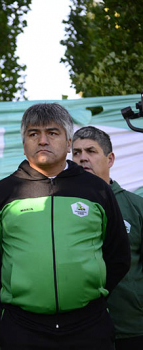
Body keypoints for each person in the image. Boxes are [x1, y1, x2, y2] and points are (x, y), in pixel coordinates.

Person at [0, 103, 130, 350]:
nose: (43, 140)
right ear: (24, 142)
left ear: (68, 143)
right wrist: (16, 300)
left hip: (89, 326)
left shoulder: (97, 189)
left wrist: (89, 294)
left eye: (52, 132)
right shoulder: (2, 193)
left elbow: (118, 254)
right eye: (33, 133)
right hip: (22, 328)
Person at [72, 126, 143, 350]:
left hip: (131, 326)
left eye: (91, 151)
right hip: (77, 328)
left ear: (110, 159)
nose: (82, 158)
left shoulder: (136, 206)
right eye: (76, 153)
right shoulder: (56, 206)